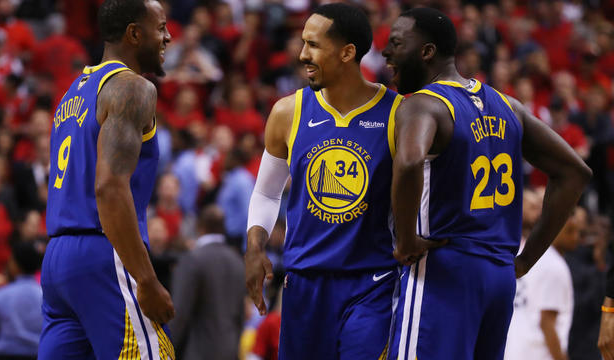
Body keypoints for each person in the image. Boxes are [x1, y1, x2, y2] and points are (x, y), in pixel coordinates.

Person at [382, 7, 591, 360]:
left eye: (396, 44)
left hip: (445, 267)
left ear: (427, 51)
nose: (386, 53)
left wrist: (404, 240)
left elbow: (410, 160)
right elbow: (575, 172)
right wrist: (525, 260)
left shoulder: (422, 104)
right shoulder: (507, 105)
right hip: (499, 275)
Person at [245, 3, 401, 359]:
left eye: (313, 45)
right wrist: (255, 246)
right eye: (303, 43)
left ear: (348, 52)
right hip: (304, 282)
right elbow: (267, 193)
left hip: (372, 282)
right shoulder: (288, 112)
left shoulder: (397, 113)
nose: (302, 55)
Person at [38, 0, 175, 358]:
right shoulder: (132, 88)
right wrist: (146, 280)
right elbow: (109, 187)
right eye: (160, 28)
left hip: (57, 259)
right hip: (103, 251)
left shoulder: (72, 93)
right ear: (134, 33)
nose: (168, 37)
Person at [504, 208, 584, 360]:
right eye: (570, 231)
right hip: (538, 354)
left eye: (578, 232)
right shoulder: (554, 265)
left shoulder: (522, 253)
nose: (576, 237)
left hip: (511, 350)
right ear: (553, 229)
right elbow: (547, 323)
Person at [169, 205, 245, 360]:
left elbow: (180, 313)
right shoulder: (237, 261)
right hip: (230, 350)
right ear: (223, 228)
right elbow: (241, 315)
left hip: (198, 352)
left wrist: (167, 349)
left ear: (200, 227)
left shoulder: (192, 259)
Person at [0, 241, 42, 360]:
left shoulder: (0, 295)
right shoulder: (44, 295)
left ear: (15, 265)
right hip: (39, 355)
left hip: (5, 355)